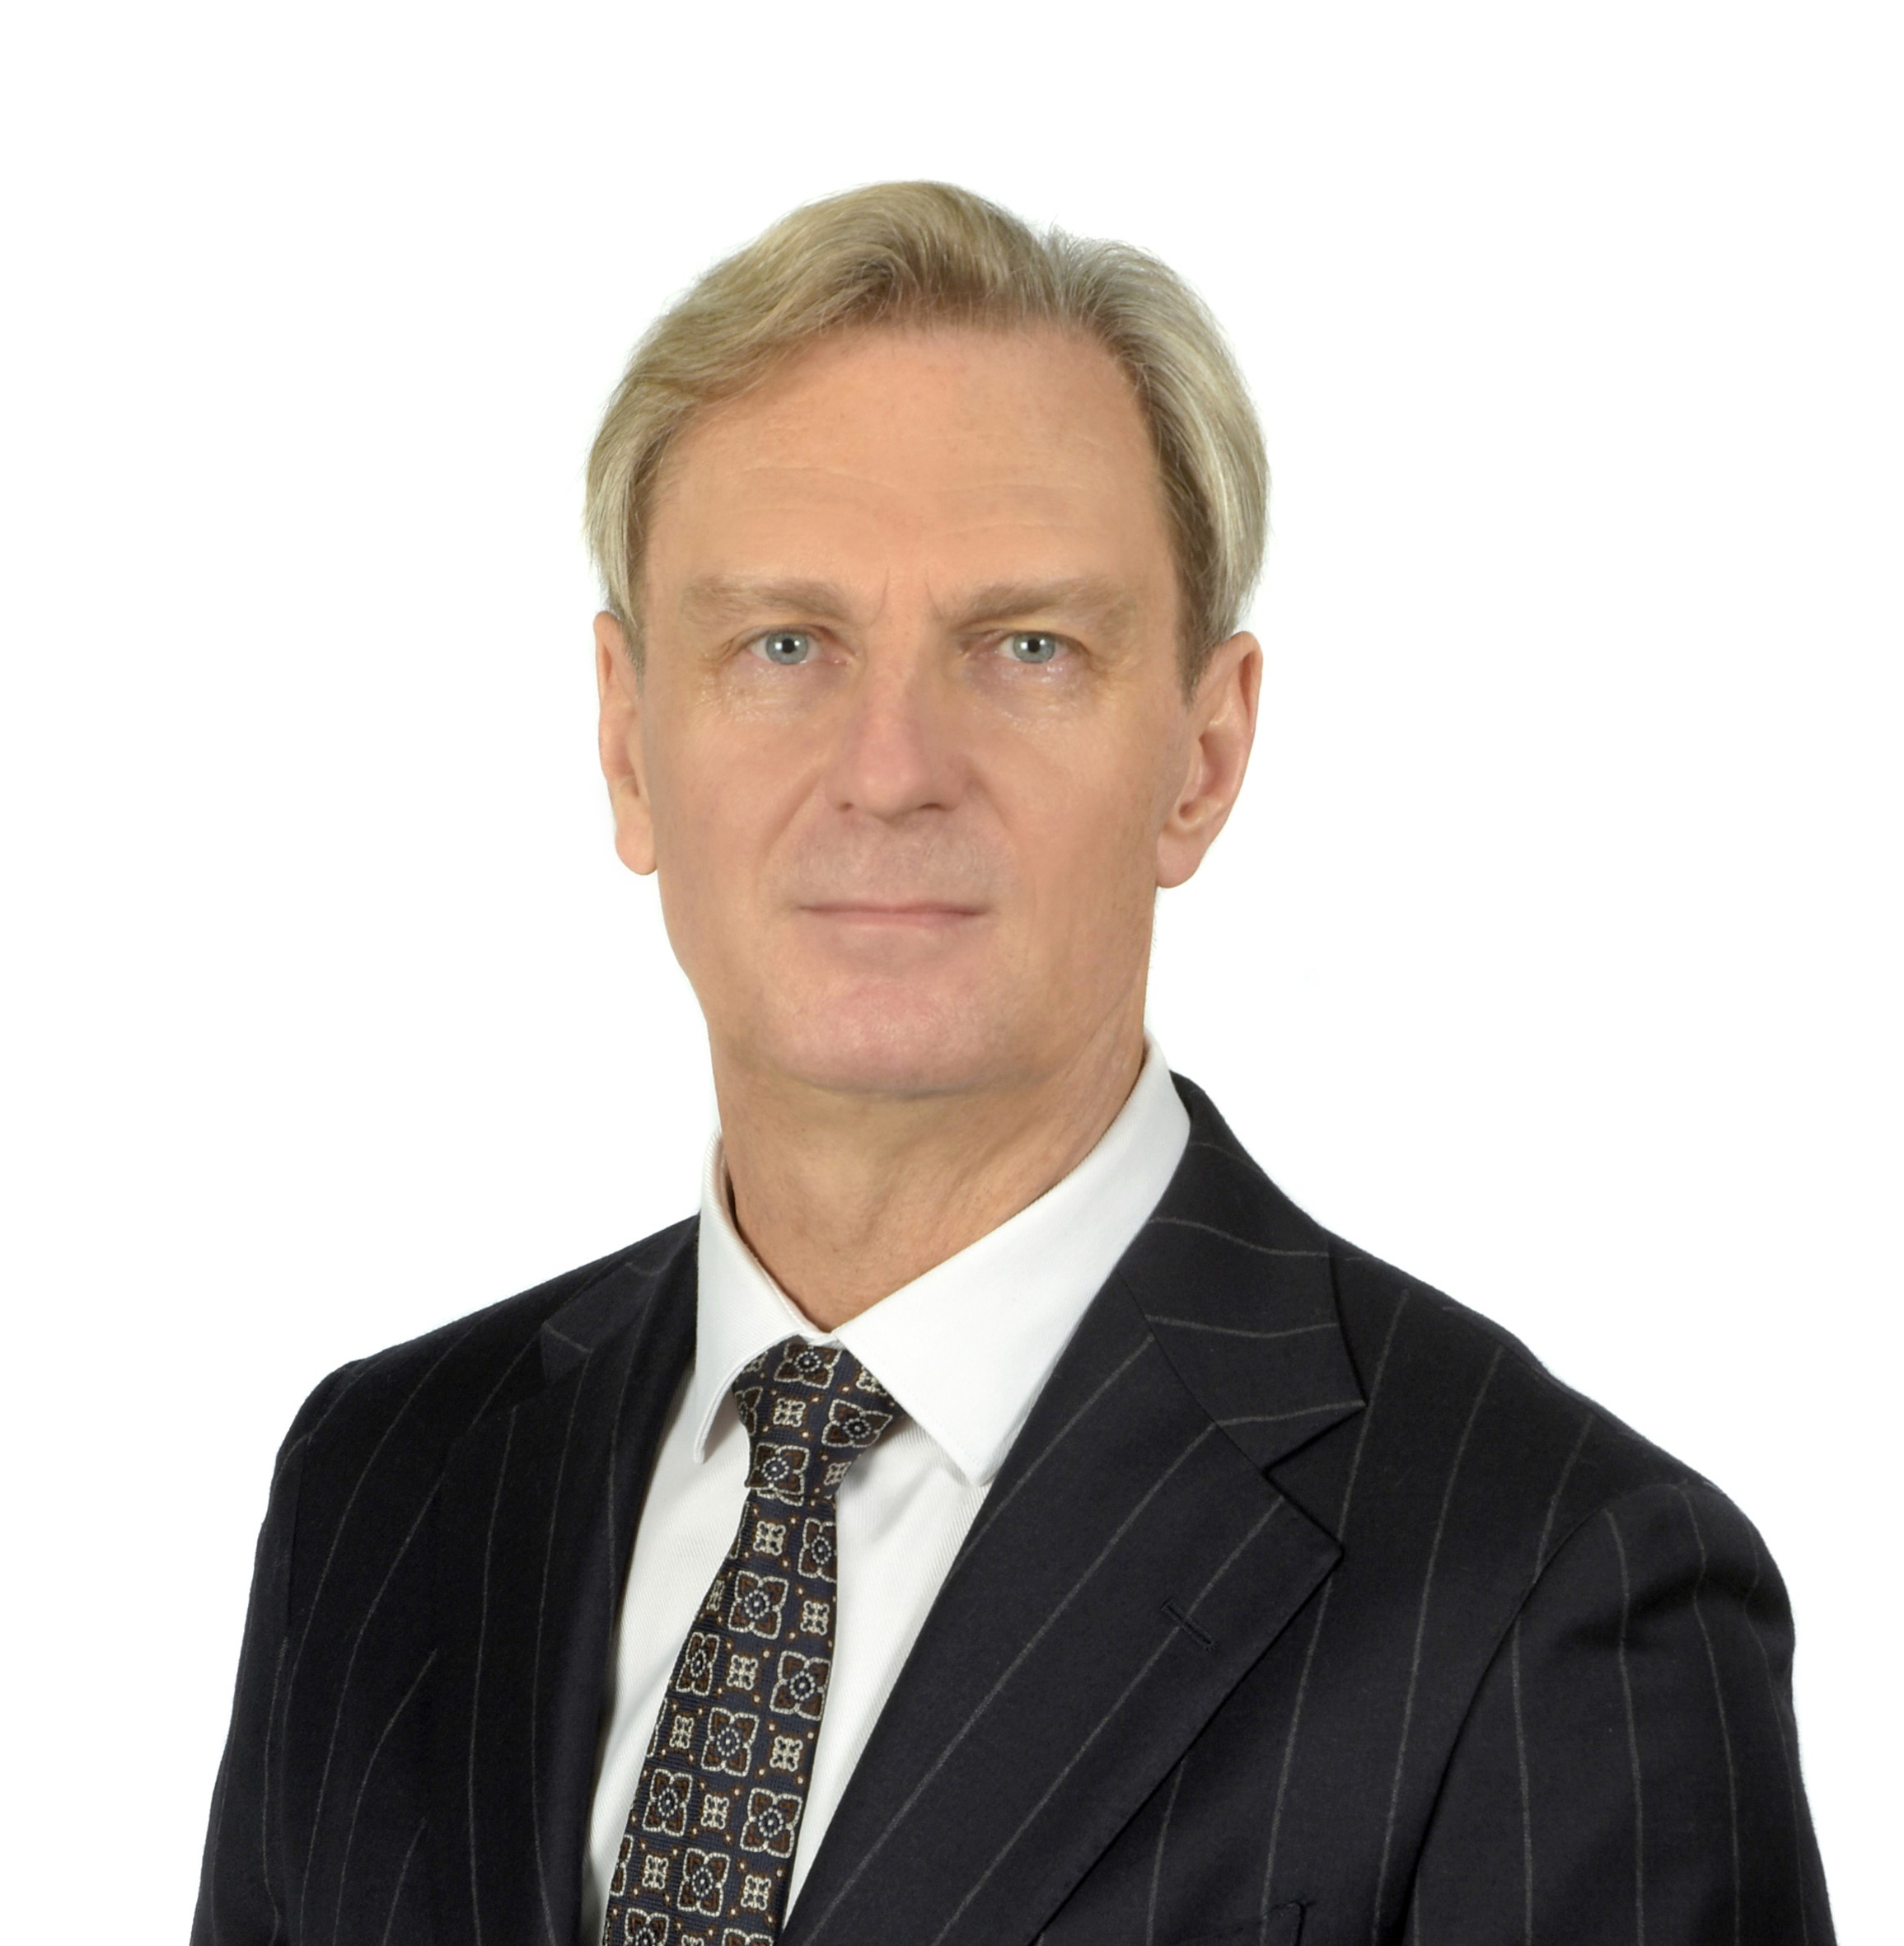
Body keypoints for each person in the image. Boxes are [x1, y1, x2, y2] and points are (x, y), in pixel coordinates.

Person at [192, 182, 1834, 1946]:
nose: (891, 767)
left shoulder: (1548, 1591)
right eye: (783, 643)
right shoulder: (386, 1481)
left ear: (1202, 753)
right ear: (627, 742)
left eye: (1026, 646)